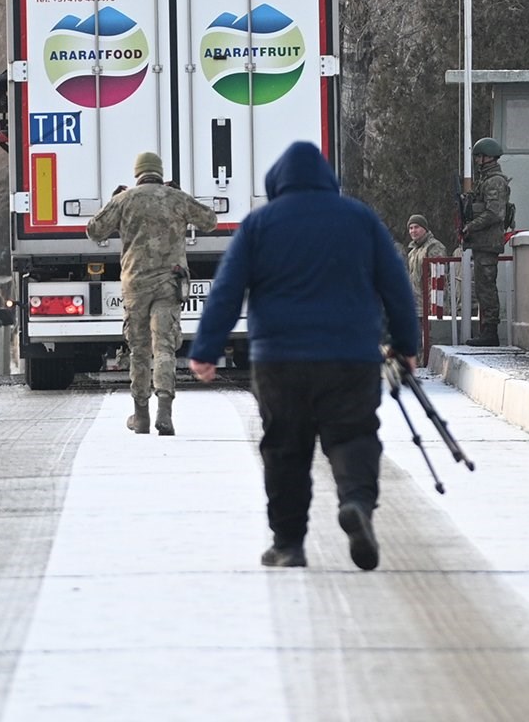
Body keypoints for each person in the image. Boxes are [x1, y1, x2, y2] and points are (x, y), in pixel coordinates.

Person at [189, 142, 419, 571]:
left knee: (285, 449)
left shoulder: (259, 224)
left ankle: (289, 544)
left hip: (279, 360)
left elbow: (226, 290)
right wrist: (406, 345)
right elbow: (396, 286)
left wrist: (206, 350)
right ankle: (355, 504)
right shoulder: (360, 219)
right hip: (350, 357)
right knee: (353, 436)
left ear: (277, 182)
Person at [87, 152, 217, 435]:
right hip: (169, 283)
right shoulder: (175, 198)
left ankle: (141, 415)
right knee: (165, 348)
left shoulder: (125, 199)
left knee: (139, 350)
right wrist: (180, 196)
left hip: (135, 285)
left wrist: (114, 201)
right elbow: (210, 221)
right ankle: (165, 413)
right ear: (159, 173)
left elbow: (94, 230)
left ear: (137, 174)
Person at [459, 137, 510, 346]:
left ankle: (490, 332)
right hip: (482, 241)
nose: (477, 160)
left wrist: (471, 226)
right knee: (482, 286)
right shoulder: (485, 180)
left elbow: (494, 213)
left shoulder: (494, 181)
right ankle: (487, 331)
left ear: (487, 157)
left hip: (488, 242)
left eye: (479, 156)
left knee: (486, 287)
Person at [400, 213, 445, 313]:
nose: (413, 231)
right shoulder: (412, 252)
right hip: (416, 306)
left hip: (432, 306)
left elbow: (438, 277)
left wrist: (433, 306)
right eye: (410, 228)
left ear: (425, 228)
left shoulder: (434, 247)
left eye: (417, 227)